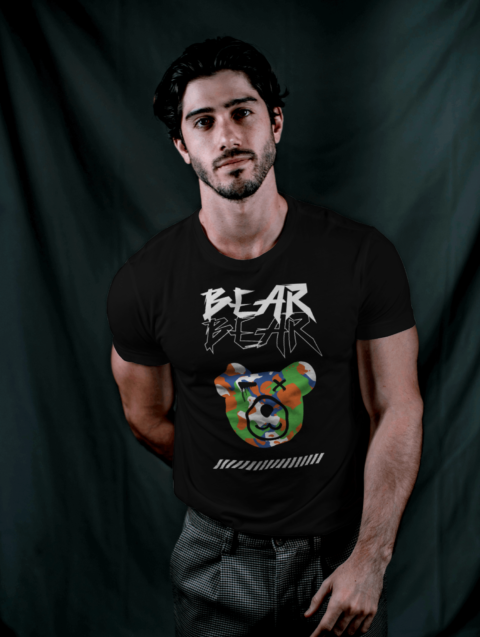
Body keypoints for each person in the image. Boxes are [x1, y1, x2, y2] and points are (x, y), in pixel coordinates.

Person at [106, 36, 423, 637]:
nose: (226, 136)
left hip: (340, 550)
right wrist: (232, 469)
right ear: (182, 146)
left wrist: (370, 559)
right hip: (216, 557)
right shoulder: (144, 283)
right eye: (203, 121)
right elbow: (144, 415)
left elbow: (398, 407)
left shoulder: (361, 256)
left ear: (275, 121)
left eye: (242, 112)